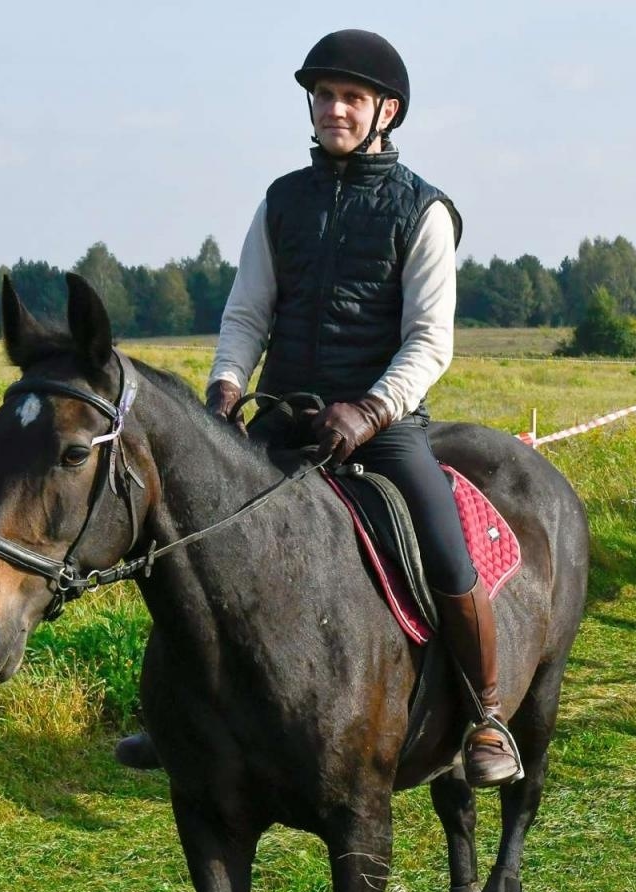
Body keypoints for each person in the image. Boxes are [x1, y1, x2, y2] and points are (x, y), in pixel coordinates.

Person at [113, 29, 523, 787]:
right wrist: (225, 388)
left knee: (444, 544)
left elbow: (431, 341)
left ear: (386, 111)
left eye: (351, 97)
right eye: (324, 95)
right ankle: (174, 717)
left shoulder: (423, 211)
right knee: (192, 537)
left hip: (384, 429)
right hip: (282, 420)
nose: (334, 109)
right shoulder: (282, 201)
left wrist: (369, 411)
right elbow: (246, 313)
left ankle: (488, 713)